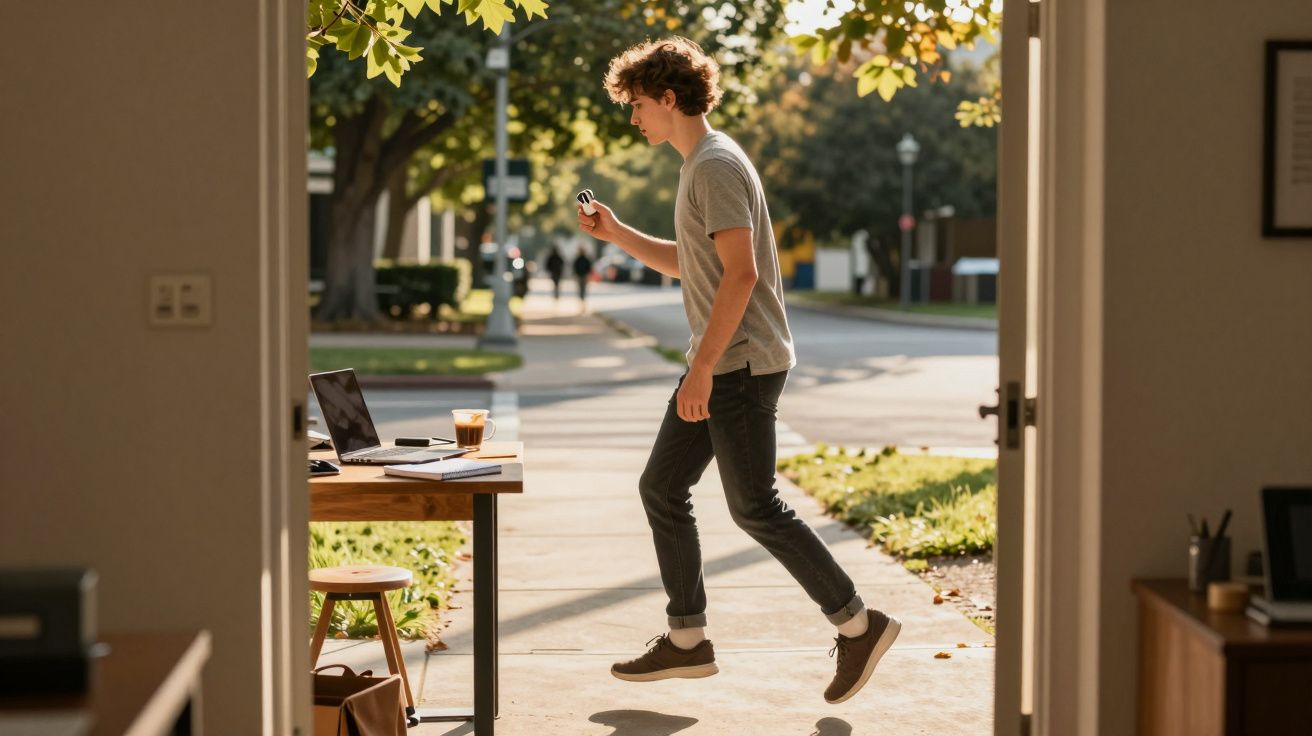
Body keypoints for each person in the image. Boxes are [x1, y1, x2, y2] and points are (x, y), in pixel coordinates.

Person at [576, 36, 901, 704]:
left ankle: (858, 626)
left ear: (669, 98)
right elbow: (692, 262)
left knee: (755, 506)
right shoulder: (702, 165)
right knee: (662, 487)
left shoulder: (715, 166)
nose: (633, 118)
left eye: (637, 104)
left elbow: (742, 275)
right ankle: (687, 642)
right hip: (723, 363)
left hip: (739, 366)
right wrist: (618, 234)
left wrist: (700, 370)